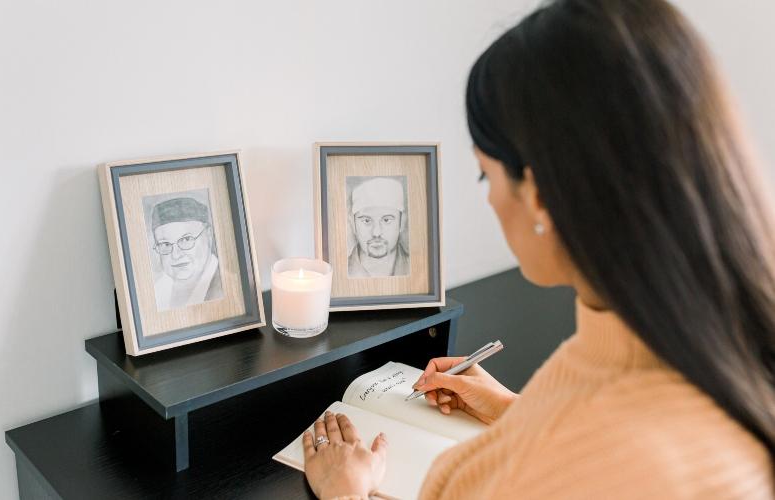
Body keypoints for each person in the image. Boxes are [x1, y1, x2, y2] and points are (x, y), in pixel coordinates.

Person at [299, 0, 775, 498]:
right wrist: (518, 411)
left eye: (487, 173)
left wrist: (347, 492)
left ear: (540, 195)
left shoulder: (578, 469)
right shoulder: (715, 350)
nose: (487, 197)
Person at [150, 197, 223, 311]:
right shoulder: (157, 289)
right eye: (165, 244)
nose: (175, 255)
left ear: (209, 234)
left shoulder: (226, 285)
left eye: (186, 239)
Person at [348, 177, 410, 277]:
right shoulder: (342, 272)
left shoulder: (415, 268)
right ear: (353, 224)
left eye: (386, 220)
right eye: (366, 221)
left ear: (402, 222)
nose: (376, 232)